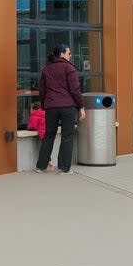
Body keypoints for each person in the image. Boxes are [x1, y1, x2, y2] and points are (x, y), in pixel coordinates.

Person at [35, 44, 85, 175]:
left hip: (51, 107)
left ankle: (41, 166)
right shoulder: (69, 68)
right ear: (62, 54)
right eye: (69, 53)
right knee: (67, 136)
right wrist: (81, 107)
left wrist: (44, 105)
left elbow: (42, 90)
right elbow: (75, 90)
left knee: (48, 135)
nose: (70, 55)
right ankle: (64, 168)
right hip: (67, 106)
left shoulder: (47, 69)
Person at [27, 102, 54, 170]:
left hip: (43, 134)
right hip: (50, 132)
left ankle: (48, 164)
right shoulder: (45, 112)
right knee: (48, 148)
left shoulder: (34, 115)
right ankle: (49, 163)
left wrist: (27, 127)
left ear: (32, 109)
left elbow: (32, 127)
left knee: (44, 149)